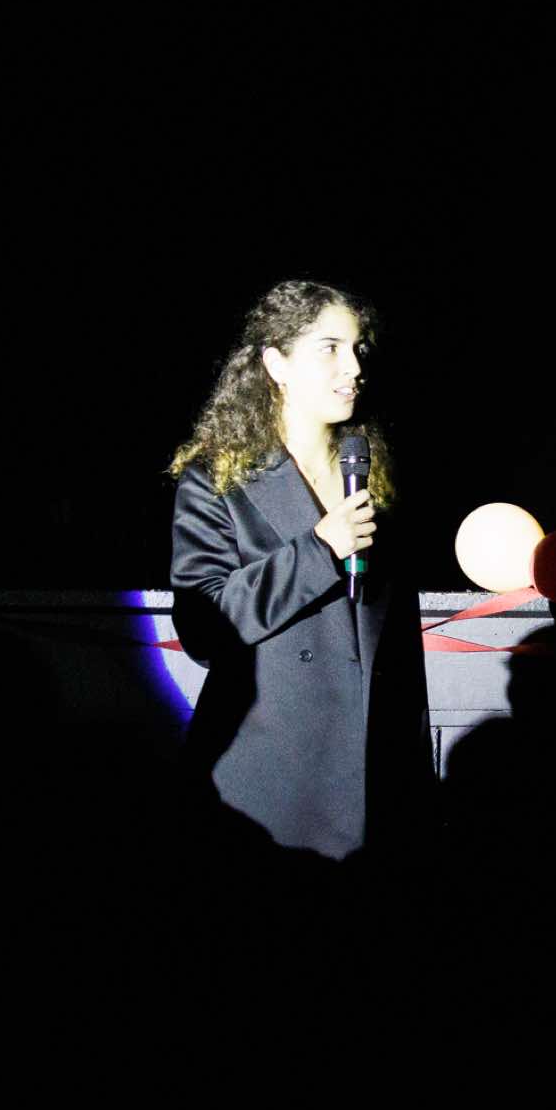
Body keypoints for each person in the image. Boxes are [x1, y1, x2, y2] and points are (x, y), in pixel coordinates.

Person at [169, 281, 433, 860]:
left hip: (376, 786)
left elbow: (396, 651)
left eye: (358, 349)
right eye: (330, 348)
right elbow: (203, 626)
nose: (353, 367)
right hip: (267, 787)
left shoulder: (372, 477)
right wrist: (318, 549)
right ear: (276, 364)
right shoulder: (217, 480)